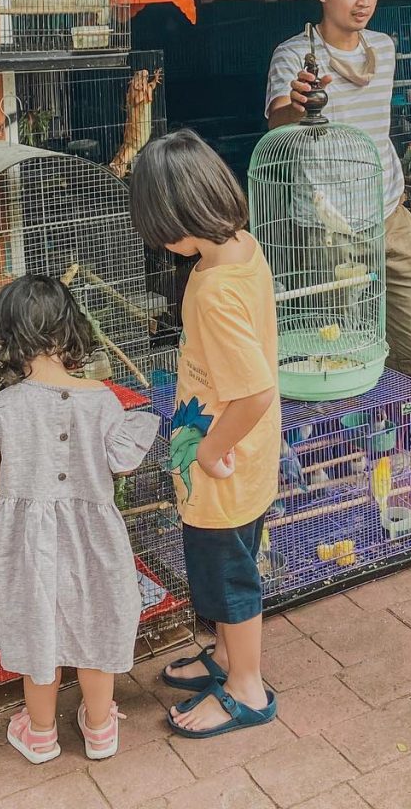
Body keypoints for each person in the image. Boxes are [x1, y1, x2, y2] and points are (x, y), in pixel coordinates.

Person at [0, 275, 160, 765]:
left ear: (4, 338)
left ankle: (41, 734)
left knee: (38, 627)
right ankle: (99, 727)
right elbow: (123, 462)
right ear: (69, 331)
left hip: (28, 543)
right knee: (95, 628)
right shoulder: (103, 398)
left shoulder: (2, 406)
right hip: (95, 537)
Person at [129, 129, 280, 740]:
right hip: (245, 449)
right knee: (226, 565)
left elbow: (254, 390)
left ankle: (246, 688)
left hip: (224, 460)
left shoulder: (215, 290)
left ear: (178, 217)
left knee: (228, 574)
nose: (159, 242)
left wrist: (212, 451)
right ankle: (223, 656)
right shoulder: (238, 248)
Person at [265, 0, 411, 381]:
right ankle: (354, 433)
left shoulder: (382, 48)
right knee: (337, 345)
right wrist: (298, 101)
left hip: (386, 213)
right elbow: (276, 124)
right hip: (327, 225)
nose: (364, 1)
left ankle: (407, 423)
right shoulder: (293, 56)